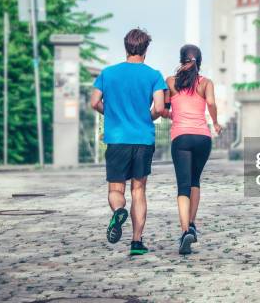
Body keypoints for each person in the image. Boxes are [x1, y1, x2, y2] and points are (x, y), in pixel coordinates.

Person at [90, 28, 167, 256]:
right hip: (143, 139)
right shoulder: (154, 75)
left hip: (117, 139)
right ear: (146, 49)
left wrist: (111, 113)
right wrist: (147, 116)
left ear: (126, 47)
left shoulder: (108, 73)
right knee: (139, 190)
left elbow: (94, 102)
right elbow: (160, 108)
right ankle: (136, 242)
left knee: (116, 188)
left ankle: (118, 211)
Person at [162, 44, 222, 255]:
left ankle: (185, 230)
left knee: (183, 186)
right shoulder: (206, 83)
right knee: (195, 181)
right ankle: (193, 223)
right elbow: (212, 103)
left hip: (181, 137)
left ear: (181, 60)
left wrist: (173, 114)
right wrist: (215, 122)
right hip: (202, 138)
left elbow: (165, 110)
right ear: (200, 61)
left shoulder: (171, 82)